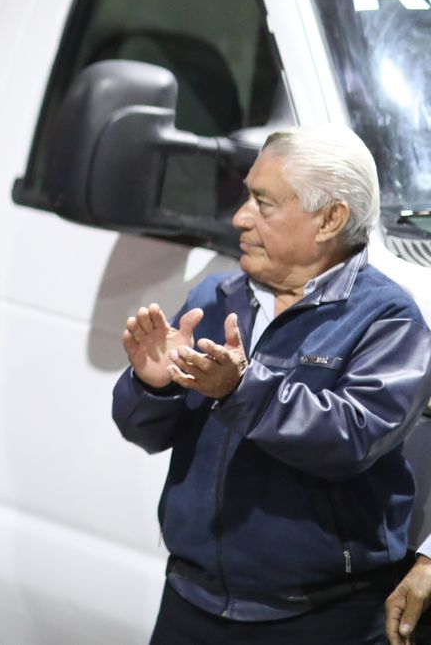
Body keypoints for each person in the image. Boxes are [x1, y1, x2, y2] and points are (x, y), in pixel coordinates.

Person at [112, 125, 431, 644]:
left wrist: (241, 390)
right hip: (191, 602)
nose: (240, 217)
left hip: (320, 619)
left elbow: (351, 438)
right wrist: (153, 387)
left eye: (263, 203)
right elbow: (144, 432)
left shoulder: (387, 319)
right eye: (247, 198)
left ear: (330, 220)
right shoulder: (217, 296)